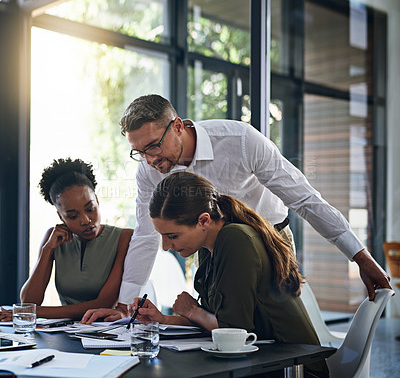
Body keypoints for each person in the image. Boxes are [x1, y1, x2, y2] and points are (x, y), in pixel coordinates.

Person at [82, 94, 391, 323]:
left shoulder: (240, 141)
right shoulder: (151, 169)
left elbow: (304, 199)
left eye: (153, 146)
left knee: (268, 329)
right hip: (211, 244)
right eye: (139, 152)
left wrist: (360, 257)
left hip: (268, 239)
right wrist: (124, 305)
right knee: (219, 327)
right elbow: (147, 235)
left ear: (177, 126)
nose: (149, 159)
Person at [131, 171, 329, 378]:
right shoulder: (209, 246)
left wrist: (192, 311)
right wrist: (162, 319)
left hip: (292, 368)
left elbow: (234, 331)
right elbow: (216, 320)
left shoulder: (235, 239)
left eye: (172, 236)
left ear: (203, 221)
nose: (165, 247)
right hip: (263, 360)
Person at [0, 158, 132, 321]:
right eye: (72, 216)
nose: (85, 220)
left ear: (97, 201)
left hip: (109, 334)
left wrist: (35, 313)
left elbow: (104, 304)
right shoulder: (54, 238)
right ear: (60, 217)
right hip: (66, 333)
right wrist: (47, 251)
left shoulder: (124, 238)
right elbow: (28, 302)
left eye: (90, 209)